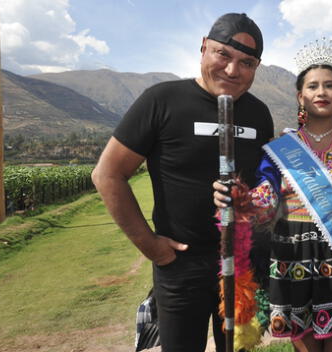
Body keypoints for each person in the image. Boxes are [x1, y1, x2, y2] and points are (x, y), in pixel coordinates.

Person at [91, 13, 274, 352]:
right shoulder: (161, 100)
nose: (232, 70)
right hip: (180, 266)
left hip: (241, 266)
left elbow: (266, 184)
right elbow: (107, 174)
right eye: (223, 55)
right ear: (204, 48)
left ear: (256, 67)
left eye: (246, 63)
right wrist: (150, 245)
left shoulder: (259, 114)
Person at [214, 38, 332, 352]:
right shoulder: (280, 150)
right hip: (291, 265)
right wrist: (241, 198)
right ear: (300, 96)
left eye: (330, 85)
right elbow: (266, 200)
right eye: (312, 86)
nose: (321, 92)